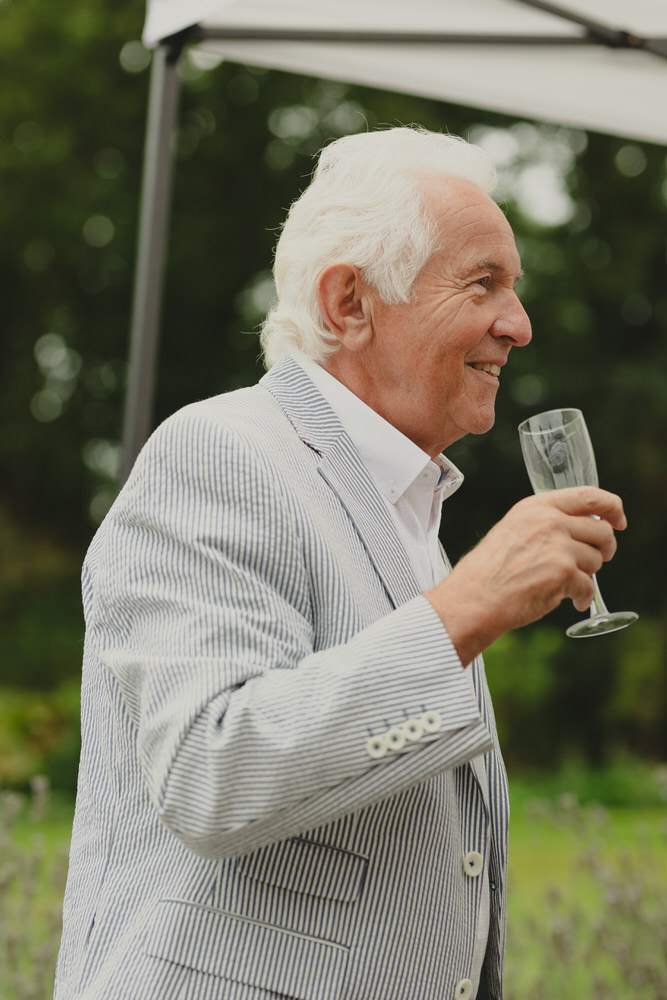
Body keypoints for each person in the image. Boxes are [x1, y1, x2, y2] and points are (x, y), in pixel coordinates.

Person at [55, 126, 626, 1000]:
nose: (518, 323)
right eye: (483, 283)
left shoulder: (407, 503)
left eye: (514, 287)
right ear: (347, 304)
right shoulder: (217, 453)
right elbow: (212, 772)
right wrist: (467, 604)